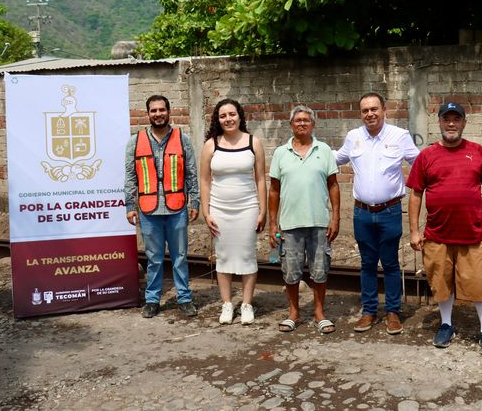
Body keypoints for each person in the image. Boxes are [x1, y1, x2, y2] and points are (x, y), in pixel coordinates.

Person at [406, 102, 482, 355]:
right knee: (441, 282)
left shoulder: (477, 151)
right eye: (446, 119)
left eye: (456, 119)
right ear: (439, 122)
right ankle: (446, 324)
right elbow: (416, 193)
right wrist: (414, 230)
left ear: (463, 122)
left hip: (472, 233)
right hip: (437, 234)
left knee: (479, 282)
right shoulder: (426, 156)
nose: (451, 123)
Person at [333, 92, 419, 335]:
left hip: (389, 211)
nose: (369, 114)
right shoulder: (353, 137)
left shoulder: (399, 136)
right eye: (364, 110)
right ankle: (369, 311)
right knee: (367, 263)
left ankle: (393, 312)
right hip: (362, 214)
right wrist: (311, 149)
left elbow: (420, 163)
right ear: (361, 114)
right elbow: (336, 158)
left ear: (384, 110)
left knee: (390, 263)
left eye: (374, 109)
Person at [125, 95, 200, 319]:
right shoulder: (135, 141)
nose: (158, 114)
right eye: (153, 110)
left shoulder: (183, 139)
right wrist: (130, 205)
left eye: (162, 110)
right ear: (148, 114)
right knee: (154, 258)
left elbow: (192, 174)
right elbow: (130, 176)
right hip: (149, 210)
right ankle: (152, 299)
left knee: (180, 257)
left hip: (177, 209)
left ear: (169, 112)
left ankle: (184, 298)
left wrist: (194, 201)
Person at [268, 105, 340, 334]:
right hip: (289, 224)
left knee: (320, 270)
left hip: (319, 222)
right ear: (291, 125)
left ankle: (319, 312)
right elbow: (273, 190)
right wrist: (272, 223)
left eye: (306, 120)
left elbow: (333, 185)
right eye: (297, 120)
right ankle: (294, 313)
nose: (301, 123)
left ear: (313, 124)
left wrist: (336, 216)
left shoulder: (324, 150)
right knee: (290, 271)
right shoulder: (281, 153)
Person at [199, 99, 267, 325]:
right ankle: (227, 304)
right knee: (224, 257)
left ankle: (247, 304)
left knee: (247, 255)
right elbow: (205, 180)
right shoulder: (211, 144)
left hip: (247, 207)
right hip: (219, 209)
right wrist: (206, 212)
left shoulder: (253, 142)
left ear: (240, 116)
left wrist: (263, 210)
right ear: (217, 120)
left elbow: (260, 179)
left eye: (232, 114)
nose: (228, 119)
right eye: (222, 116)